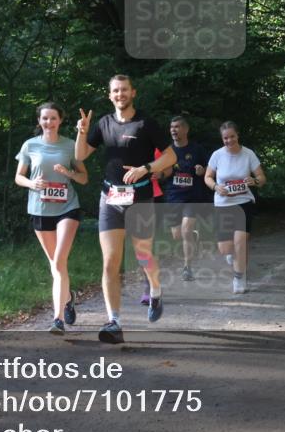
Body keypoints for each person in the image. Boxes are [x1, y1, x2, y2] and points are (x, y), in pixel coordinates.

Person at [75, 75, 177, 344]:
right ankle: (114, 321)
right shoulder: (104, 123)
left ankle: (155, 291)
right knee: (110, 261)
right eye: (115, 91)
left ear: (133, 92)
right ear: (110, 95)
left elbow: (170, 156)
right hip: (110, 198)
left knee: (143, 255)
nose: (119, 94)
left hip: (140, 198)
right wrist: (82, 132)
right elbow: (80, 156)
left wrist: (146, 168)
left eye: (124, 90)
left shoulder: (145, 123)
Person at [14, 102, 88, 335]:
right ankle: (69, 298)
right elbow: (18, 177)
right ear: (39, 121)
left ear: (60, 120)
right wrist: (32, 183)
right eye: (44, 118)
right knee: (56, 265)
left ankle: (58, 320)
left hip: (67, 208)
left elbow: (84, 178)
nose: (49, 122)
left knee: (58, 261)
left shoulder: (70, 145)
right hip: (40, 209)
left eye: (53, 118)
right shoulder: (30, 145)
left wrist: (68, 173)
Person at [205, 121, 266, 294]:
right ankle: (232, 256)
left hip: (243, 203)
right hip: (223, 204)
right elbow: (208, 177)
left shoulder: (248, 154)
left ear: (237, 135)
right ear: (222, 139)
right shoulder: (217, 155)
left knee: (241, 242)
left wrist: (255, 181)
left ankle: (239, 277)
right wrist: (216, 187)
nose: (229, 140)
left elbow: (262, 177)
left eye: (232, 136)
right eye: (225, 138)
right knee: (225, 249)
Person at [159, 116, 209, 282]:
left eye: (177, 126)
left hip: (192, 196)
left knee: (186, 230)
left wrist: (202, 170)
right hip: (173, 196)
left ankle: (187, 267)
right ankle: (192, 237)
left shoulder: (197, 149)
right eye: (172, 127)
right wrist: (159, 174)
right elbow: (163, 171)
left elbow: (209, 168)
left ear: (186, 129)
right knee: (177, 235)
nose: (173, 130)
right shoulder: (167, 152)